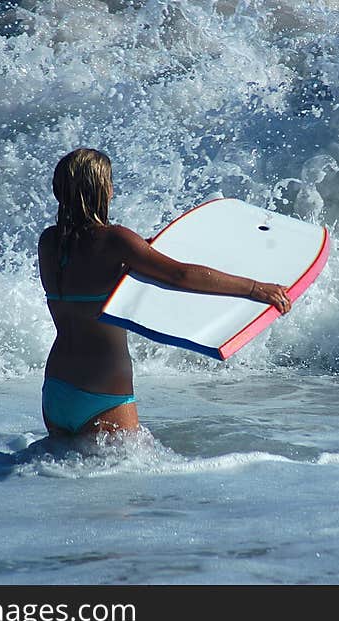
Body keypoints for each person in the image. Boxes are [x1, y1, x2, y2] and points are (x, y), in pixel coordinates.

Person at [38, 147, 291, 438]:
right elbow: (179, 274)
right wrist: (255, 288)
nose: (112, 189)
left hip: (56, 388)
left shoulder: (49, 242)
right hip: (102, 392)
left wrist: (141, 249)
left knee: (60, 479)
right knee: (128, 482)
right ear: (99, 189)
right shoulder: (116, 240)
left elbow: (90, 274)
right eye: (109, 182)